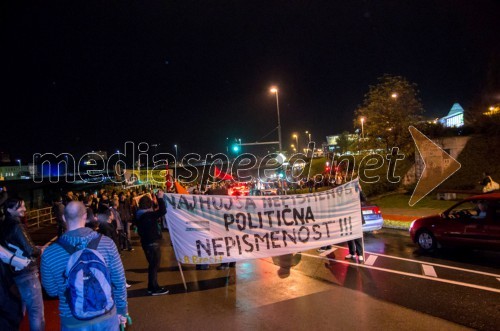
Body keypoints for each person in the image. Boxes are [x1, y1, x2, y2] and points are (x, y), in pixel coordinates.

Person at [41, 201, 129, 330]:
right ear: (85, 217)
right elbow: (119, 281)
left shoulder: (50, 253)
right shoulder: (107, 243)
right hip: (106, 316)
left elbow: (52, 291)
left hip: (72, 320)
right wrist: (122, 310)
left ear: (64, 218)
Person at [1, 197, 45, 330]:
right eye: (20, 207)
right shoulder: (17, 225)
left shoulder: (2, 225)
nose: (24, 209)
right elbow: (31, 250)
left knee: (19, 309)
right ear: (9, 209)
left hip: (11, 273)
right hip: (27, 272)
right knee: (36, 312)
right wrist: (41, 250)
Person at [136, 190, 169, 295]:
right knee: (154, 266)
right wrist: (160, 198)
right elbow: (163, 211)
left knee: (153, 266)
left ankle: (153, 286)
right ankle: (153, 288)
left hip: (147, 244)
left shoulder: (140, 215)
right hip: (152, 244)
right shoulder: (148, 216)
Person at [345, 184, 367, 262]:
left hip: (357, 219)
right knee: (349, 238)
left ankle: (360, 254)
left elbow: (364, 199)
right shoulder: (346, 198)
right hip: (348, 220)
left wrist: (360, 190)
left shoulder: (357, 195)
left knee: (357, 238)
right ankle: (352, 253)